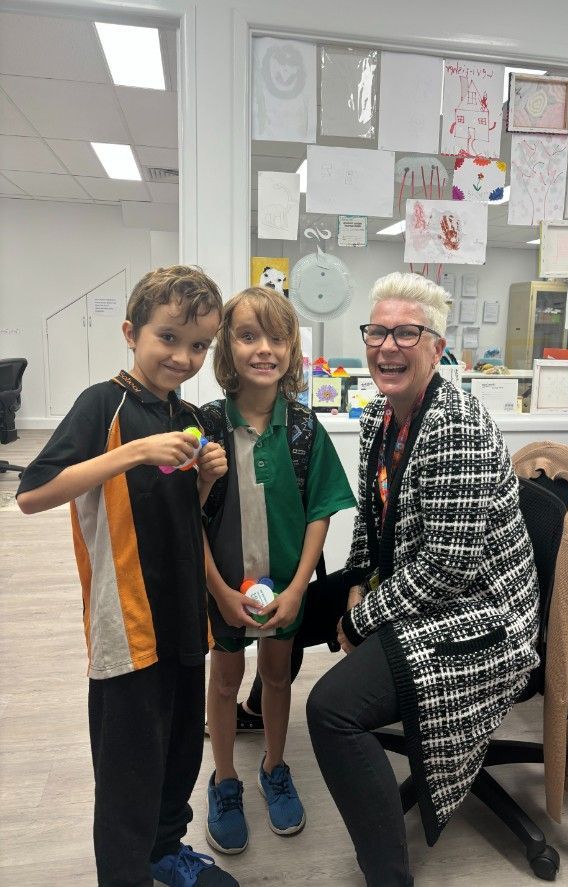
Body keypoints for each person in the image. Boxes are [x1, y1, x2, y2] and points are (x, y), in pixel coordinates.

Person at [306, 271, 540, 887]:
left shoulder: (454, 426)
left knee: (331, 709)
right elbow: (372, 521)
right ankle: (256, 724)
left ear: (438, 348)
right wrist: (356, 582)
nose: (388, 345)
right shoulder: (386, 416)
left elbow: (447, 569)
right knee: (289, 614)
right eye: (377, 331)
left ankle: (389, 878)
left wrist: (359, 617)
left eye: (406, 333)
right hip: (423, 590)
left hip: (482, 618)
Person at [16, 266, 239, 887]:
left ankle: (166, 848)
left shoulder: (187, 411)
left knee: (177, 754)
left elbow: (176, 514)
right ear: (130, 332)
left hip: (182, 616)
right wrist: (134, 452)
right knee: (128, 766)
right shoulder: (102, 403)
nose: (183, 357)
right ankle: (124, 872)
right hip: (128, 622)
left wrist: (204, 479)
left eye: (198, 346)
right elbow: (32, 494)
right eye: (168, 338)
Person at [199, 286, 355, 855]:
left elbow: (320, 511)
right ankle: (224, 779)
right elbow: (188, 517)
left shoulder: (305, 429)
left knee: (276, 675)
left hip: (285, 590)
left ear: (291, 348)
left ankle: (274, 765)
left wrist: (296, 590)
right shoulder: (206, 425)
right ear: (228, 347)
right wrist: (217, 588)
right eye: (247, 336)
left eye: (277, 336)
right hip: (224, 589)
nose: (264, 349)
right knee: (223, 677)